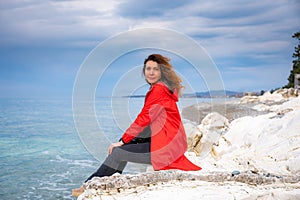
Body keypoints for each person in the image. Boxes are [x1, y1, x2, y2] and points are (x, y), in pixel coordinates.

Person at [72, 54, 201, 197]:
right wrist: (127, 140)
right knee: (122, 150)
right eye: (148, 69)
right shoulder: (162, 88)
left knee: (118, 153)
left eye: (155, 69)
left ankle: (90, 186)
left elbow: (144, 119)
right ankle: (100, 184)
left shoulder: (159, 90)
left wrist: (122, 141)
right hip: (167, 142)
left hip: (165, 147)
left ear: (162, 72)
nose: (151, 72)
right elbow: (148, 124)